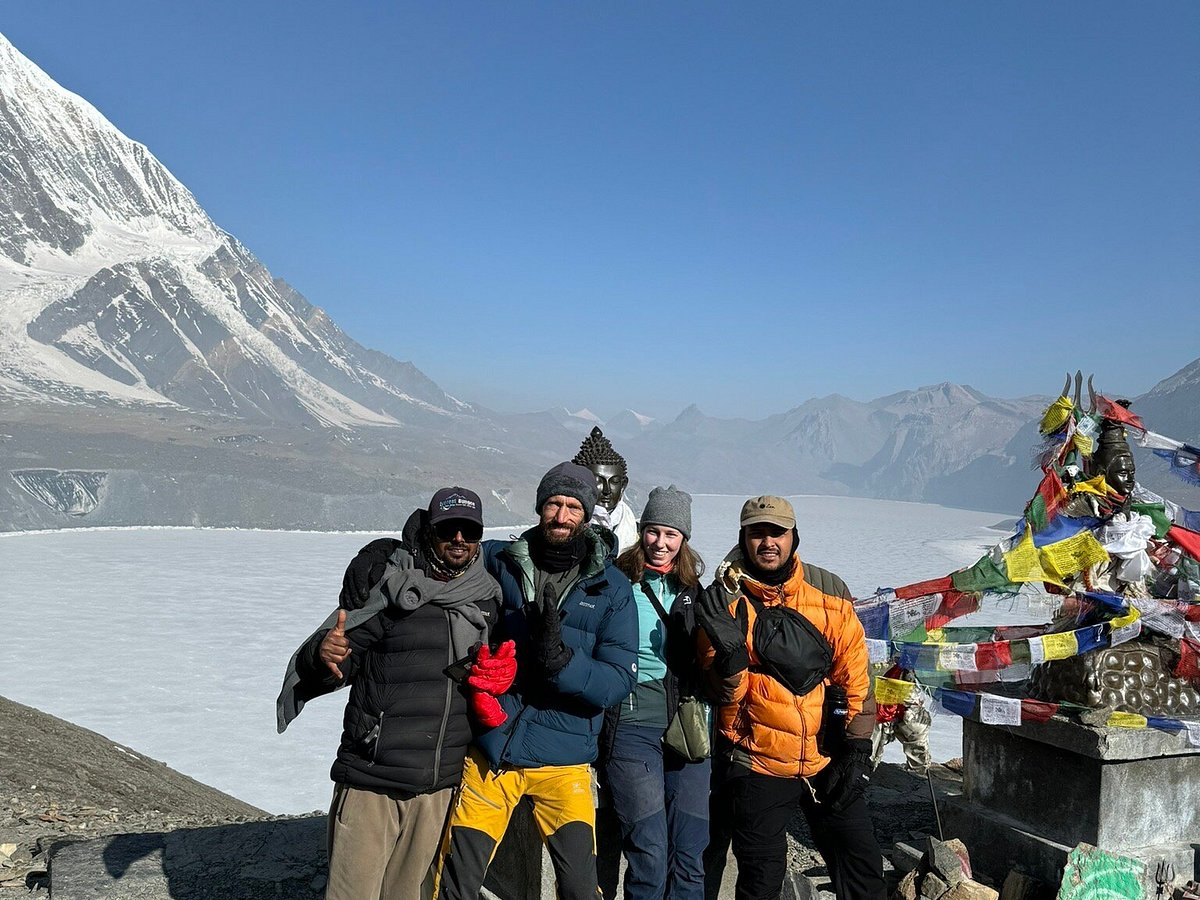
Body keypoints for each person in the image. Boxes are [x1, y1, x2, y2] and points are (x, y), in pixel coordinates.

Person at [340, 462, 640, 900]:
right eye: (554, 503)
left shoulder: (610, 588)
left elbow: (617, 680)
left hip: (565, 759)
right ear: (540, 508)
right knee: (457, 881)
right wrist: (387, 554)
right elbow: (445, 555)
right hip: (494, 749)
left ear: (586, 515)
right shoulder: (502, 559)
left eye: (573, 506)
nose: (561, 515)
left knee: (579, 886)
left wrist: (561, 663)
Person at [277, 487, 506, 900]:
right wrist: (321, 655)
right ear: (430, 531)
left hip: (437, 784)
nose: (458, 539)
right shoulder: (392, 586)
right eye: (448, 529)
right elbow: (341, 660)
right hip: (373, 778)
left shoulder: (487, 598)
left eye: (469, 531)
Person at [697, 495, 885, 900]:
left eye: (777, 532)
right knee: (761, 877)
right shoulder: (723, 601)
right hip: (758, 759)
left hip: (825, 755)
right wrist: (730, 660)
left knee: (862, 865)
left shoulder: (829, 591)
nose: (769, 542)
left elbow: (855, 677)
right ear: (743, 538)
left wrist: (856, 748)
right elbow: (720, 695)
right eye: (757, 533)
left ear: (793, 537)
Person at [601, 485, 711, 900]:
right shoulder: (616, 581)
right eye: (653, 531)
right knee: (648, 854)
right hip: (633, 721)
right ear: (642, 530)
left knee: (689, 854)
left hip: (688, 727)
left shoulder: (696, 592)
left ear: (683, 540)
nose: (660, 543)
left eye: (671, 534)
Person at [574, 426, 639, 554]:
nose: (607, 490)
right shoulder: (563, 528)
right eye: (598, 481)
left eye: (614, 481)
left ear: (623, 485)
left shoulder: (639, 536)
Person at [870, 665, 932, 776]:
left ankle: (919, 772)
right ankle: (866, 769)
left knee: (917, 732)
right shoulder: (898, 669)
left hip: (893, 707)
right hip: (885, 707)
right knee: (873, 744)